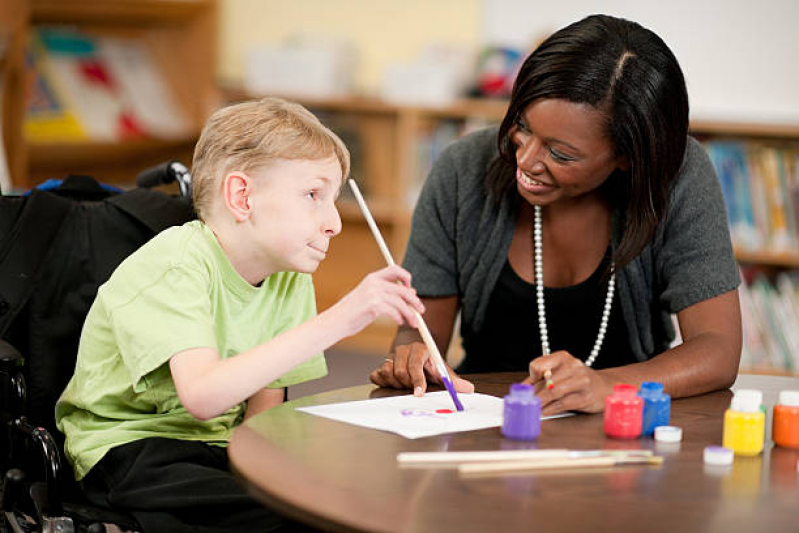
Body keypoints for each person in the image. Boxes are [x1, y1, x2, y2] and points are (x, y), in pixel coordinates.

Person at [55, 97, 425, 532]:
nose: (334, 223)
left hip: (217, 442)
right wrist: (341, 319)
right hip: (132, 443)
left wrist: (266, 468)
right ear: (241, 196)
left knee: (330, 497)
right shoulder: (176, 265)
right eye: (313, 195)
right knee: (285, 515)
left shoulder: (288, 275)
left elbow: (263, 410)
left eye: (334, 199)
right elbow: (202, 396)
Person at [370, 14, 742, 416]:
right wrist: (414, 356)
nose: (525, 160)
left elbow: (718, 350)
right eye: (522, 126)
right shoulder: (463, 169)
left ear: (627, 157)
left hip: (625, 426)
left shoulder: (678, 177)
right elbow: (421, 333)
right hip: (483, 422)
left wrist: (605, 385)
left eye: (560, 153)